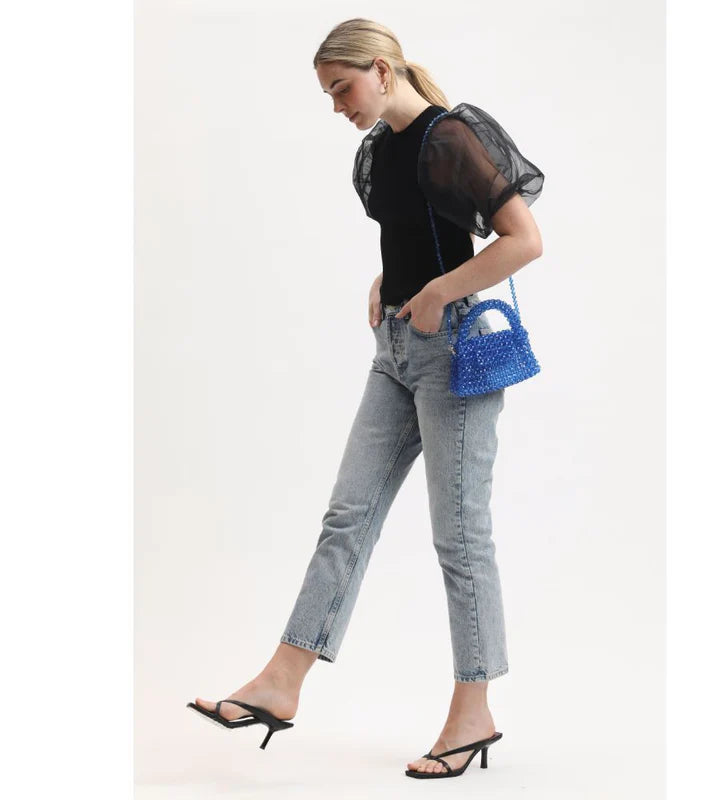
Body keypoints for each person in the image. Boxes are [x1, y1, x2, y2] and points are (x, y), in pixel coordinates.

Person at [190, 17, 544, 778]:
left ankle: (474, 710)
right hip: (395, 349)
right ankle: (282, 682)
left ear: (383, 69)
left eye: (341, 87)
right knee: (347, 516)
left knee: (460, 538)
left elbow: (524, 239)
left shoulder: (452, 135)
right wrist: (393, 278)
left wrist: (439, 290)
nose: (336, 105)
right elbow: (420, 229)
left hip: (455, 352)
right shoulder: (380, 147)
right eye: (327, 93)